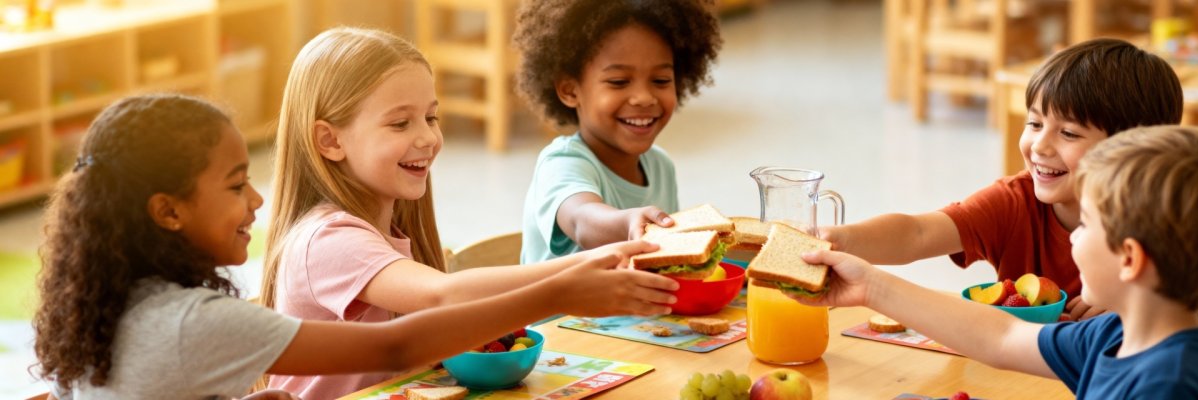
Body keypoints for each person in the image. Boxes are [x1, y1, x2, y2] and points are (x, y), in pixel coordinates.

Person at [30, 94, 666, 399]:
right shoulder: (192, 323)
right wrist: (561, 289)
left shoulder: (125, 303)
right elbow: (396, 343)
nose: (257, 201)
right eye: (235, 185)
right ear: (166, 211)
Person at [260, 28, 680, 398]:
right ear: (329, 141)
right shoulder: (328, 239)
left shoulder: (384, 227)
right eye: (399, 123)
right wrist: (582, 271)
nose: (428, 137)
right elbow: (444, 294)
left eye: (430, 116)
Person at [793, 125, 1198, 398]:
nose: (1073, 235)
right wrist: (870, 286)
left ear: (1129, 259)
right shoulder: (1113, 335)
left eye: (1087, 224)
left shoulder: (1169, 381)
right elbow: (1001, 337)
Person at [820, 38, 1183, 320]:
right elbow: (917, 233)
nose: (1039, 146)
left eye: (1069, 133)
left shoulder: (1174, 220)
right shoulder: (1015, 201)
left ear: (1132, 148)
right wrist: (841, 240)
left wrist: (1138, 307)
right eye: (1034, 123)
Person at [513, 0, 723, 263]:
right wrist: (628, 223)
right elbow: (581, 220)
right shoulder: (563, 163)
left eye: (660, 81)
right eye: (618, 82)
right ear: (570, 90)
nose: (644, 98)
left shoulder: (661, 166)